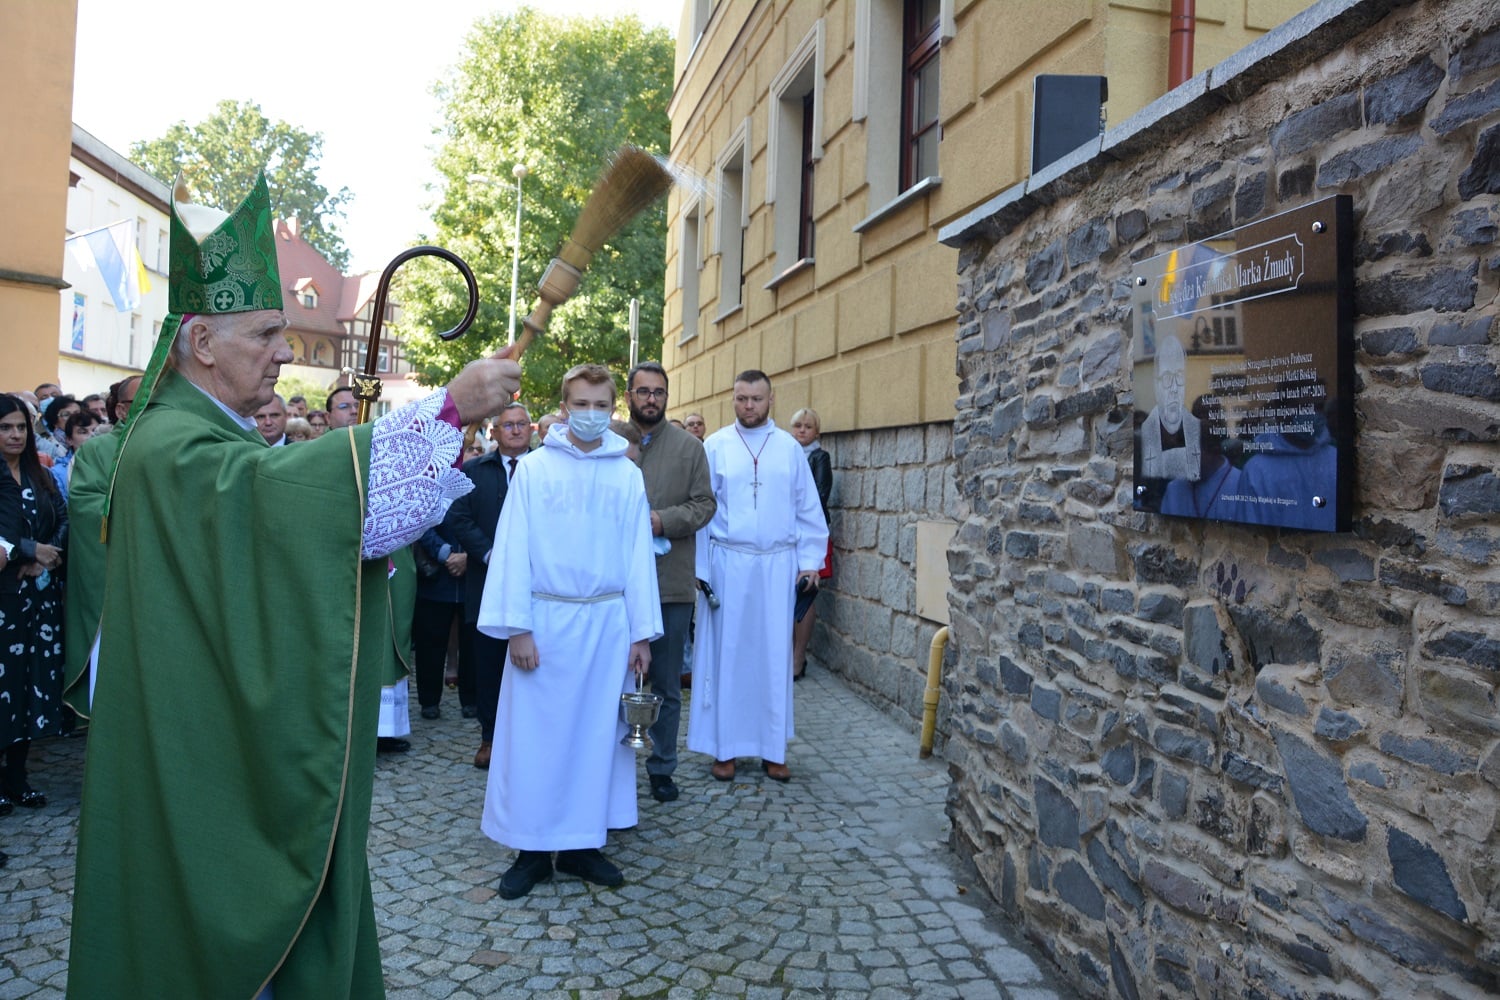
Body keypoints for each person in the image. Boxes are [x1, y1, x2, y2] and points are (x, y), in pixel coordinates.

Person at [63, 172, 522, 999]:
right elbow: (295, 507)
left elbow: (330, 520)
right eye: (267, 333)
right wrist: (449, 411)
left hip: (202, 729)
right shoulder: (174, 447)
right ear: (202, 343)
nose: (285, 351)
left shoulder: (198, 436)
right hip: (202, 756)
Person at [479, 364, 661, 899]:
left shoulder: (626, 475)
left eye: (600, 405)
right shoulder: (535, 470)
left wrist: (641, 634)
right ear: (563, 406)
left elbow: (637, 558)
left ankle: (582, 845)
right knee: (535, 740)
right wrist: (518, 628)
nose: (589, 414)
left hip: (607, 626)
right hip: (546, 624)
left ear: (613, 409)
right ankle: (531, 850)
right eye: (579, 404)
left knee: (595, 741)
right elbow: (512, 549)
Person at [686, 370, 826, 783]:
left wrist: (809, 562)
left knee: (771, 657)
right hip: (729, 563)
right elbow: (702, 511)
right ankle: (724, 749)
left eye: (756, 399)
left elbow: (808, 510)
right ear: (733, 399)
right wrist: (701, 569)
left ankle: (772, 749)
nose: (749, 406)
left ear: (771, 399)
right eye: (742, 399)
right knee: (726, 656)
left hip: (776, 566)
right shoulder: (714, 446)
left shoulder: (788, 448)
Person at [625, 361, 715, 804]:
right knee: (613, 679)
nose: (651, 399)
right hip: (614, 586)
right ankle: (610, 763)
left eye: (658, 391)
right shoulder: (608, 442)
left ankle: (662, 767)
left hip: (669, 583)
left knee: (664, 682)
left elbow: (705, 505)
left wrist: (664, 520)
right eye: (643, 391)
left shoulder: (689, 448)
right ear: (629, 396)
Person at [445, 402, 531, 768]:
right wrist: (488, 553)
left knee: (531, 665)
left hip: (535, 582)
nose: (514, 430)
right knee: (489, 663)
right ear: (493, 432)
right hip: (487, 581)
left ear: (532, 430)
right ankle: (490, 737)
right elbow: (457, 516)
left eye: (520, 424)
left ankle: (529, 737)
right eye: (506, 425)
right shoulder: (475, 470)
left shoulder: (544, 470)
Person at [0, 394, 69, 812]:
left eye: (21, 427)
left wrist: (46, 553)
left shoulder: (38, 473)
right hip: (4, 600)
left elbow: (63, 519)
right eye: (5, 427)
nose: (14, 434)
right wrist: (29, 552)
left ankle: (18, 778)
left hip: (39, 601)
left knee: (29, 686)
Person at [788, 407, 832, 682]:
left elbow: (819, 494)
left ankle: (799, 656)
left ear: (817, 431)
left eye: (808, 426)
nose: (802, 430)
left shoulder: (819, 457)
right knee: (788, 594)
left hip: (809, 533)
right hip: (785, 534)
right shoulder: (784, 454)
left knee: (806, 592)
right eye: (797, 425)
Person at [1138, 333, 1201, 481]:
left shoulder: (1196, 428)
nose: (1174, 388)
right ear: (1155, 384)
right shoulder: (1144, 432)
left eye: (1179, 376)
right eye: (1166, 378)